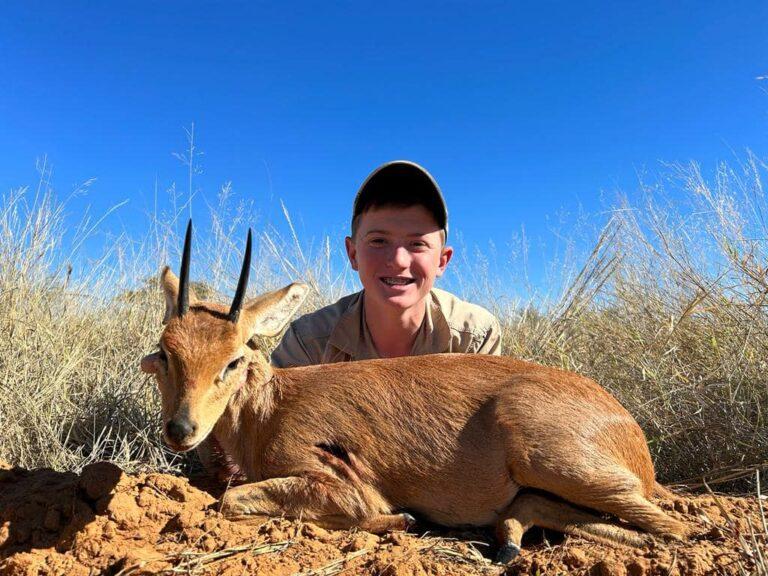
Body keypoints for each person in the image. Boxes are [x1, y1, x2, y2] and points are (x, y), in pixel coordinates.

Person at [271, 160, 501, 367]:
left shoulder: (474, 337)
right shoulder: (308, 343)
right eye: (378, 241)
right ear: (353, 255)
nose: (398, 260)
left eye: (417, 244)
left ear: (442, 261)